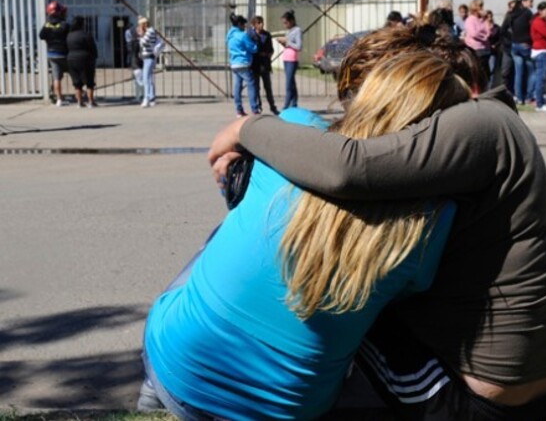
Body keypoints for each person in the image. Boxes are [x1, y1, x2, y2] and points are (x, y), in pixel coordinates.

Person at [208, 23, 546, 420]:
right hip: (543, 385)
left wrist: (247, 127)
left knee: (345, 284)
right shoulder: (487, 127)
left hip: (474, 404)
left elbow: (348, 167)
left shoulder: (480, 124)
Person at [139, 51, 467, 419]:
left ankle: (151, 387)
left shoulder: (294, 126)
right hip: (290, 411)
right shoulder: (434, 222)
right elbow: (411, 293)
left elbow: (233, 191)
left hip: (177, 376)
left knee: (222, 236)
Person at [227, 13, 260, 117]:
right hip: (244, 63)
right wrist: (256, 44)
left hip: (234, 63)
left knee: (237, 87)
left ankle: (239, 110)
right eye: (243, 25)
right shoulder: (242, 35)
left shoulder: (229, 35)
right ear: (240, 24)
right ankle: (254, 109)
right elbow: (253, 48)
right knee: (251, 85)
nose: (244, 27)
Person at [39, 1, 70, 107]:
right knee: (75, 74)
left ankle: (59, 100)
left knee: (56, 78)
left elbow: (41, 36)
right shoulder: (64, 24)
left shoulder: (47, 25)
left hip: (52, 54)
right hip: (65, 54)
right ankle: (80, 97)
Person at [248, 15, 280, 115]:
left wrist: (268, 54)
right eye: (259, 23)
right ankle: (258, 106)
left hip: (265, 65)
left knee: (268, 87)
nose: (261, 25)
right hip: (255, 65)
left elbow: (271, 49)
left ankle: (272, 106)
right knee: (256, 87)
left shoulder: (266, 35)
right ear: (254, 24)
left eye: (262, 22)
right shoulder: (250, 35)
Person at [508, 0, 536, 104]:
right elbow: (532, 29)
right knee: (532, 71)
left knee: (518, 73)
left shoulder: (514, 13)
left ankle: (519, 98)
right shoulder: (528, 13)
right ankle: (529, 96)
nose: (532, 4)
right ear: (524, 1)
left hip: (514, 45)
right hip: (525, 45)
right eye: (530, 1)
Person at [66, 16, 98, 108]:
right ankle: (91, 102)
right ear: (82, 24)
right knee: (89, 81)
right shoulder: (86, 35)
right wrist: (94, 57)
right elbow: (93, 48)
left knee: (77, 82)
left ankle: (79, 102)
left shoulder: (69, 36)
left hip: (71, 59)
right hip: (85, 59)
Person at [464, 0, 492, 89]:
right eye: (480, 6)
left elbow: (488, 31)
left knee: (486, 72)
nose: (482, 9)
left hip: (485, 48)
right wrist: (483, 36)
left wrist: (486, 19)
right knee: (477, 72)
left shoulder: (483, 19)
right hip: (475, 48)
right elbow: (473, 33)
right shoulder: (470, 20)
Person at [276, 10, 302, 109]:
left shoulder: (297, 30)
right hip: (286, 58)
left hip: (292, 59)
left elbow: (299, 46)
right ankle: (294, 104)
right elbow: (289, 44)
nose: (285, 25)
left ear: (291, 21)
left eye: (286, 23)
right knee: (291, 82)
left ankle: (286, 106)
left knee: (288, 83)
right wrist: (283, 43)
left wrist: (287, 41)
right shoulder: (289, 31)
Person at [137, 16, 159, 108]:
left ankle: (146, 98)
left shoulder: (150, 31)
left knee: (146, 78)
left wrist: (140, 35)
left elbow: (143, 42)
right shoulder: (149, 31)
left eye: (140, 25)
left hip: (149, 57)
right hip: (147, 57)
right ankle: (151, 98)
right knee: (149, 78)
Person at [125, 21, 144, 102]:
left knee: (138, 80)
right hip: (140, 62)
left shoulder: (133, 43)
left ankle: (141, 96)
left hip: (135, 62)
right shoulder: (141, 41)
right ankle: (140, 96)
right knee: (138, 80)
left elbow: (130, 52)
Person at [485, 10, 501, 88]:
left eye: (490, 16)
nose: (489, 18)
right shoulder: (482, 27)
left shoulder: (496, 27)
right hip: (484, 50)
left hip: (492, 51)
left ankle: (490, 87)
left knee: (491, 70)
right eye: (487, 17)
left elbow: (500, 38)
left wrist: (495, 45)